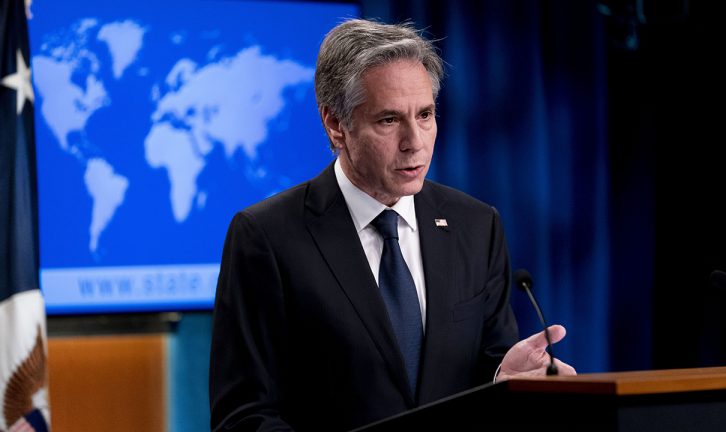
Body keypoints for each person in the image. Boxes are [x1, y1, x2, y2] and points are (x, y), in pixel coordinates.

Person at [209, 18, 575, 432]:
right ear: (336, 125)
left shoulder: (475, 225)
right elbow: (243, 416)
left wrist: (502, 381)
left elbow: (483, 364)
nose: (414, 141)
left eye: (425, 115)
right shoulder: (267, 237)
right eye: (388, 120)